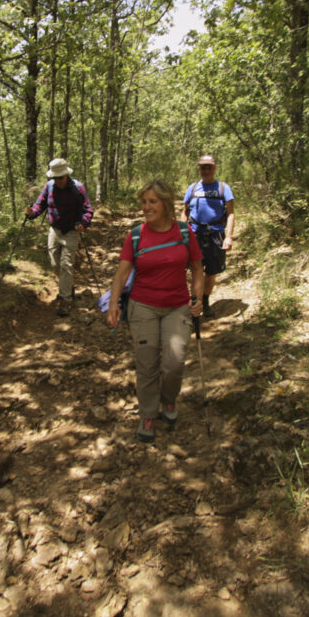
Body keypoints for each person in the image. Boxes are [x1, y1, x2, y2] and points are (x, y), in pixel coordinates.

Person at [106, 180, 204, 443]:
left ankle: (169, 400)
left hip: (177, 306)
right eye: (144, 202)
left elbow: (197, 268)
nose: (146, 207)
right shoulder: (136, 235)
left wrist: (199, 297)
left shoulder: (185, 233)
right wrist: (114, 303)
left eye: (152, 202)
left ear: (165, 204)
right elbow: (122, 273)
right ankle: (148, 413)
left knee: (174, 363)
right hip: (143, 306)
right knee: (147, 365)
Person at [25, 158, 94, 316]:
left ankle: (66, 300)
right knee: (55, 264)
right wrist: (31, 213)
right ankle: (68, 287)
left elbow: (88, 209)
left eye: (60, 177)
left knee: (66, 264)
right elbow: (39, 205)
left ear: (66, 175)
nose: (58, 180)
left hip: (71, 231)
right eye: (55, 177)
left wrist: (83, 223)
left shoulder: (78, 188)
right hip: (54, 231)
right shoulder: (48, 187)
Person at [179, 155, 235, 318]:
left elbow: (230, 214)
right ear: (199, 168)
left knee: (211, 272)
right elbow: (185, 212)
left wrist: (229, 237)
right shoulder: (193, 188)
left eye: (209, 167)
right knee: (195, 270)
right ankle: (195, 302)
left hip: (215, 235)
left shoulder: (224, 188)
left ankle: (206, 299)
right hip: (195, 234)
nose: (206, 170)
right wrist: (183, 234)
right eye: (203, 167)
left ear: (215, 167)